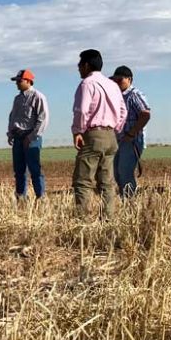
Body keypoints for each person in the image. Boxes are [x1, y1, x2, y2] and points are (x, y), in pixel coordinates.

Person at [71, 50, 127, 218]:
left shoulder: (87, 84)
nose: (78, 68)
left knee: (83, 181)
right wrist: (115, 129)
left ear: (87, 65)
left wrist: (78, 131)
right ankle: (108, 219)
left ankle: (84, 220)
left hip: (93, 135)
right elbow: (123, 111)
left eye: (80, 65)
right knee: (107, 182)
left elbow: (81, 110)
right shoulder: (113, 85)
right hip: (111, 137)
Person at [7, 69, 49, 199]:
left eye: (19, 81)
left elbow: (43, 119)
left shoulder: (38, 96)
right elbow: (13, 117)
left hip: (31, 137)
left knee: (35, 169)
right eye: (16, 81)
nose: (17, 83)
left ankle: (40, 197)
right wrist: (10, 133)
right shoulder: (17, 98)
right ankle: (21, 197)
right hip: (18, 137)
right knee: (19, 171)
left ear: (28, 81)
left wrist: (31, 137)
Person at [110, 66, 151, 198]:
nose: (116, 82)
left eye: (120, 79)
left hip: (131, 140)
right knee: (117, 173)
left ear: (129, 79)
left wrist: (132, 133)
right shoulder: (117, 96)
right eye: (114, 80)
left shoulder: (134, 95)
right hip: (119, 140)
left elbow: (145, 114)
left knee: (125, 172)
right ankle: (125, 200)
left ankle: (130, 203)